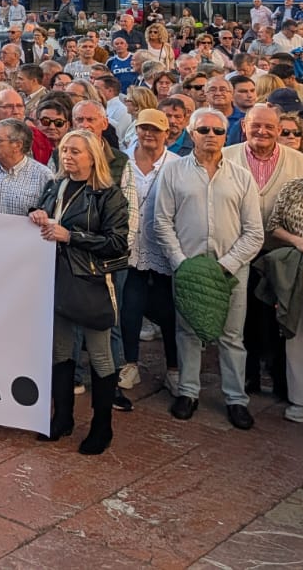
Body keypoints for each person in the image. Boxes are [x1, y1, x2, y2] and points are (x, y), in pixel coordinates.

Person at [153, 107, 265, 427]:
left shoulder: (241, 176)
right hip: (188, 267)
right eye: (204, 130)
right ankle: (188, 392)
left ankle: (235, 399)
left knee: (232, 336)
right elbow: (161, 221)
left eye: (218, 131)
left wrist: (227, 265)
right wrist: (182, 264)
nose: (211, 136)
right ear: (191, 133)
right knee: (187, 332)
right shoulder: (174, 173)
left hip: (231, 270)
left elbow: (254, 231)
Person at [30, 129, 129, 454]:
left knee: (100, 355)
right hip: (56, 278)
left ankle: (102, 427)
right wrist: (37, 214)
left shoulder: (108, 194)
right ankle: (62, 418)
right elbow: (44, 221)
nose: (68, 156)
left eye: (75, 151)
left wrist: (72, 236)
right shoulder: (54, 185)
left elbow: (117, 244)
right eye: (64, 150)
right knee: (61, 352)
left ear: (92, 157)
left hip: (91, 281)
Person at [223, 103, 303, 398]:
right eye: (256, 125)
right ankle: (246, 378)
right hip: (237, 251)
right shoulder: (226, 157)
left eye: (269, 127)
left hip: (280, 253)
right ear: (244, 126)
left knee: (278, 318)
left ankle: (279, 378)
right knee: (241, 317)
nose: (262, 131)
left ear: (278, 129)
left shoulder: (299, 161)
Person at [123, 108, 182, 399]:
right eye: (144, 128)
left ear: (166, 133)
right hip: (130, 247)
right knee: (129, 306)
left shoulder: (177, 164)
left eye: (155, 129)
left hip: (164, 247)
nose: (149, 134)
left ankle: (173, 369)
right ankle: (129, 363)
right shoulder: (123, 160)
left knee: (169, 311)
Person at [261, 176, 303, 423]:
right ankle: (301, 401)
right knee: (298, 337)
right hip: (298, 274)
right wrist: (297, 241)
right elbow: (274, 225)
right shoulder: (295, 188)